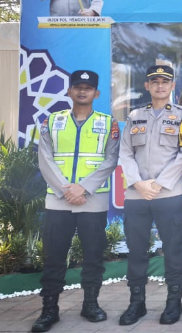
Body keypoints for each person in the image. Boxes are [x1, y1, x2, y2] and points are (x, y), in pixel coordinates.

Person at [32, 70, 120, 333]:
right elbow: (44, 159)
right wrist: (66, 190)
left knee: (93, 255)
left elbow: (111, 159)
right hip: (58, 201)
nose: (83, 91)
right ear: (69, 91)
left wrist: (83, 188)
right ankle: (49, 309)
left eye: (88, 88)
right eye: (78, 87)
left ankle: (90, 304)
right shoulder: (51, 121)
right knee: (54, 256)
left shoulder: (108, 123)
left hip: (93, 201)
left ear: (97, 93)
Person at [117, 65, 182, 326]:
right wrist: (138, 183)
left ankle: (174, 303)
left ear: (172, 86)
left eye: (165, 81)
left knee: (173, 250)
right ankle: (136, 304)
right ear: (147, 86)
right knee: (136, 251)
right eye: (155, 81)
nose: (160, 86)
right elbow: (125, 152)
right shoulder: (135, 116)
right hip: (136, 195)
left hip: (168, 194)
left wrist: (159, 184)